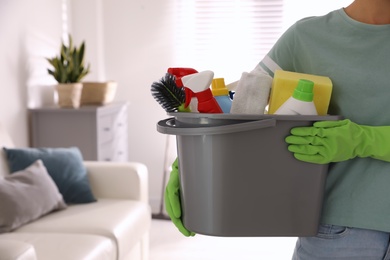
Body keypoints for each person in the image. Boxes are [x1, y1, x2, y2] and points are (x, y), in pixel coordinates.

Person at [165, 0, 390, 259]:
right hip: (340, 231)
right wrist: (190, 163)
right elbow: (240, 111)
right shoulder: (306, 38)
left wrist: (364, 140)